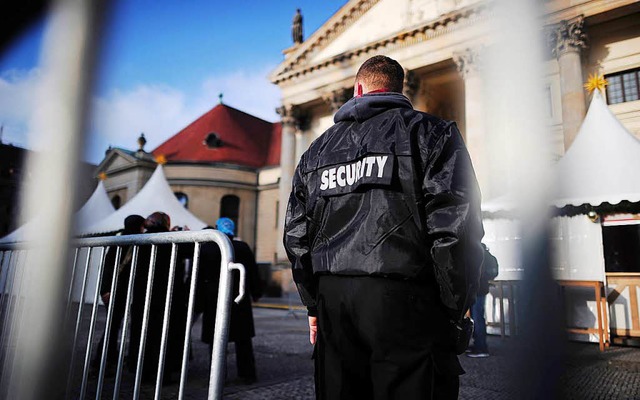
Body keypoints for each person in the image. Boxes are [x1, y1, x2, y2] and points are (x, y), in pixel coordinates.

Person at [284, 55, 484, 399]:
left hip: (335, 300)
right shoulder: (433, 133)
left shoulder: (316, 151)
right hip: (407, 296)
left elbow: (297, 235)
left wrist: (313, 305)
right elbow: (456, 229)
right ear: (399, 89)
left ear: (358, 89)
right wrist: (455, 306)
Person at [197, 218, 262, 384]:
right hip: (238, 298)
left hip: (214, 298)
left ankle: (217, 376)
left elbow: (198, 276)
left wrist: (197, 300)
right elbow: (253, 272)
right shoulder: (243, 247)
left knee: (216, 339)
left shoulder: (208, 248)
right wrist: (256, 292)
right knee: (243, 339)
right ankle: (247, 374)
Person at [129, 211, 187, 384]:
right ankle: (165, 373)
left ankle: (143, 372)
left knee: (143, 333)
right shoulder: (173, 240)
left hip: (144, 296)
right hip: (168, 297)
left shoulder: (139, 240)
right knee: (166, 335)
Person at [92, 214, 145, 374]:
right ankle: (103, 361)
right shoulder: (121, 243)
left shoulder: (127, 241)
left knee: (113, 326)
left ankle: (109, 358)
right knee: (112, 326)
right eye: (141, 226)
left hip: (121, 290)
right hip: (116, 291)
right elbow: (108, 268)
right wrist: (105, 290)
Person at [467, 243, 499, 358]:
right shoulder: (488, 256)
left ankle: (481, 347)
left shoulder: (477, 256)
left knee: (477, 318)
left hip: (475, 290)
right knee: (477, 317)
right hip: (480, 289)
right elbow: (494, 273)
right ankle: (479, 345)